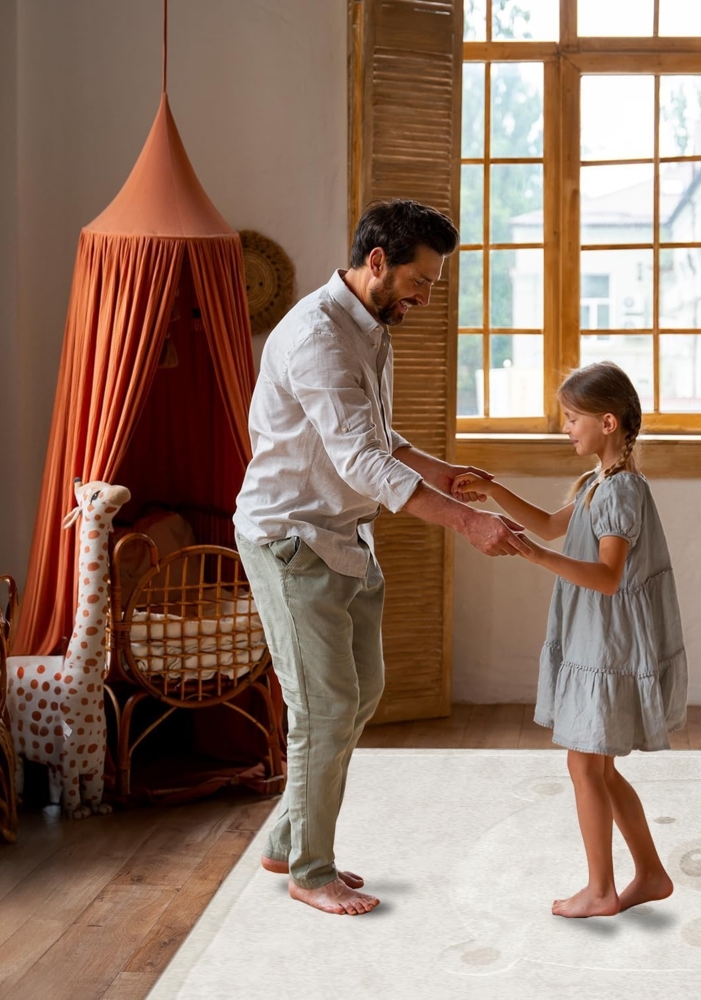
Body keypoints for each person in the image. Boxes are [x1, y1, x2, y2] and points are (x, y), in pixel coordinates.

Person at [234, 199, 530, 916]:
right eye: (420, 282)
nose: (426, 298)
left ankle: (284, 837)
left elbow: (382, 440)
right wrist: (463, 521)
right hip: (290, 539)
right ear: (377, 262)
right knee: (324, 708)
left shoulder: (371, 328)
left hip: (345, 535)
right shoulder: (317, 339)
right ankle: (309, 869)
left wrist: (443, 473)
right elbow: (363, 462)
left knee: (361, 694)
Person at [453, 360, 687, 918]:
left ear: (607, 422)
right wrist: (492, 490)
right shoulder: (596, 482)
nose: (566, 428)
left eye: (571, 418)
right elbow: (552, 524)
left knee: (585, 767)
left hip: (605, 644)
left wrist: (532, 556)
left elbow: (608, 577)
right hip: (591, 637)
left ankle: (602, 890)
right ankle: (650, 875)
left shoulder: (623, 491)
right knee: (598, 767)